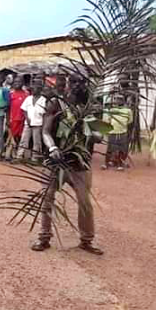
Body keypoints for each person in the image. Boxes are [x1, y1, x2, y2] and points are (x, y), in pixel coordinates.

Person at [31, 83, 103, 255]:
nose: (72, 93)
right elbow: (46, 131)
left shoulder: (90, 109)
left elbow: (99, 135)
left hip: (79, 163)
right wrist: (53, 148)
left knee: (84, 202)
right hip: (56, 160)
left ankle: (87, 239)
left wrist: (89, 132)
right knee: (47, 198)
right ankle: (44, 236)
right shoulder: (56, 105)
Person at [17, 82, 46, 162]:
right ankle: (19, 156)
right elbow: (24, 110)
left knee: (37, 141)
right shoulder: (28, 98)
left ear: (39, 90)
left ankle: (35, 157)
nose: (32, 90)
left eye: (35, 89)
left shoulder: (43, 100)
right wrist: (27, 119)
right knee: (24, 139)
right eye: (32, 89)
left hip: (38, 123)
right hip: (28, 123)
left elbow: (45, 113)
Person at [103, 93, 133, 171]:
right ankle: (106, 163)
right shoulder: (112, 110)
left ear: (123, 101)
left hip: (122, 132)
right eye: (116, 99)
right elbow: (109, 120)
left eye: (119, 99)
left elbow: (130, 121)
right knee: (110, 149)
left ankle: (120, 165)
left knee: (121, 149)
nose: (117, 101)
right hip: (113, 132)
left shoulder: (128, 110)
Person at [7, 76, 29, 160]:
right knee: (14, 136)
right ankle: (13, 152)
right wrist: (8, 119)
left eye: (19, 82)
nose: (17, 84)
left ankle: (20, 153)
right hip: (14, 119)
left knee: (22, 137)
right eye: (15, 82)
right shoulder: (11, 94)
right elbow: (8, 108)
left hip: (23, 119)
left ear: (22, 83)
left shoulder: (26, 94)